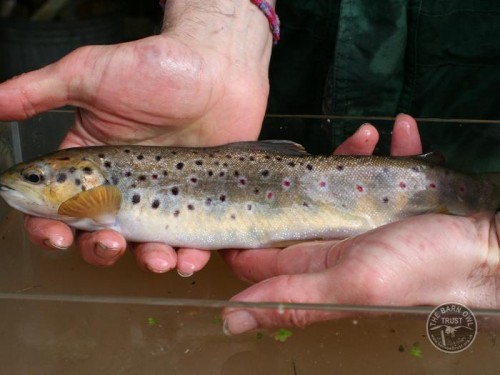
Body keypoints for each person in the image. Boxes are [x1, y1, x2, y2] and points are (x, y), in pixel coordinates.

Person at [0, 0, 498, 335]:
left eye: (37, 178)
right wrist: (223, 22)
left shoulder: (93, 198)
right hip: (264, 90)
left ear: (85, 188)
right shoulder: (95, 198)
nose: (24, 184)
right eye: (35, 178)